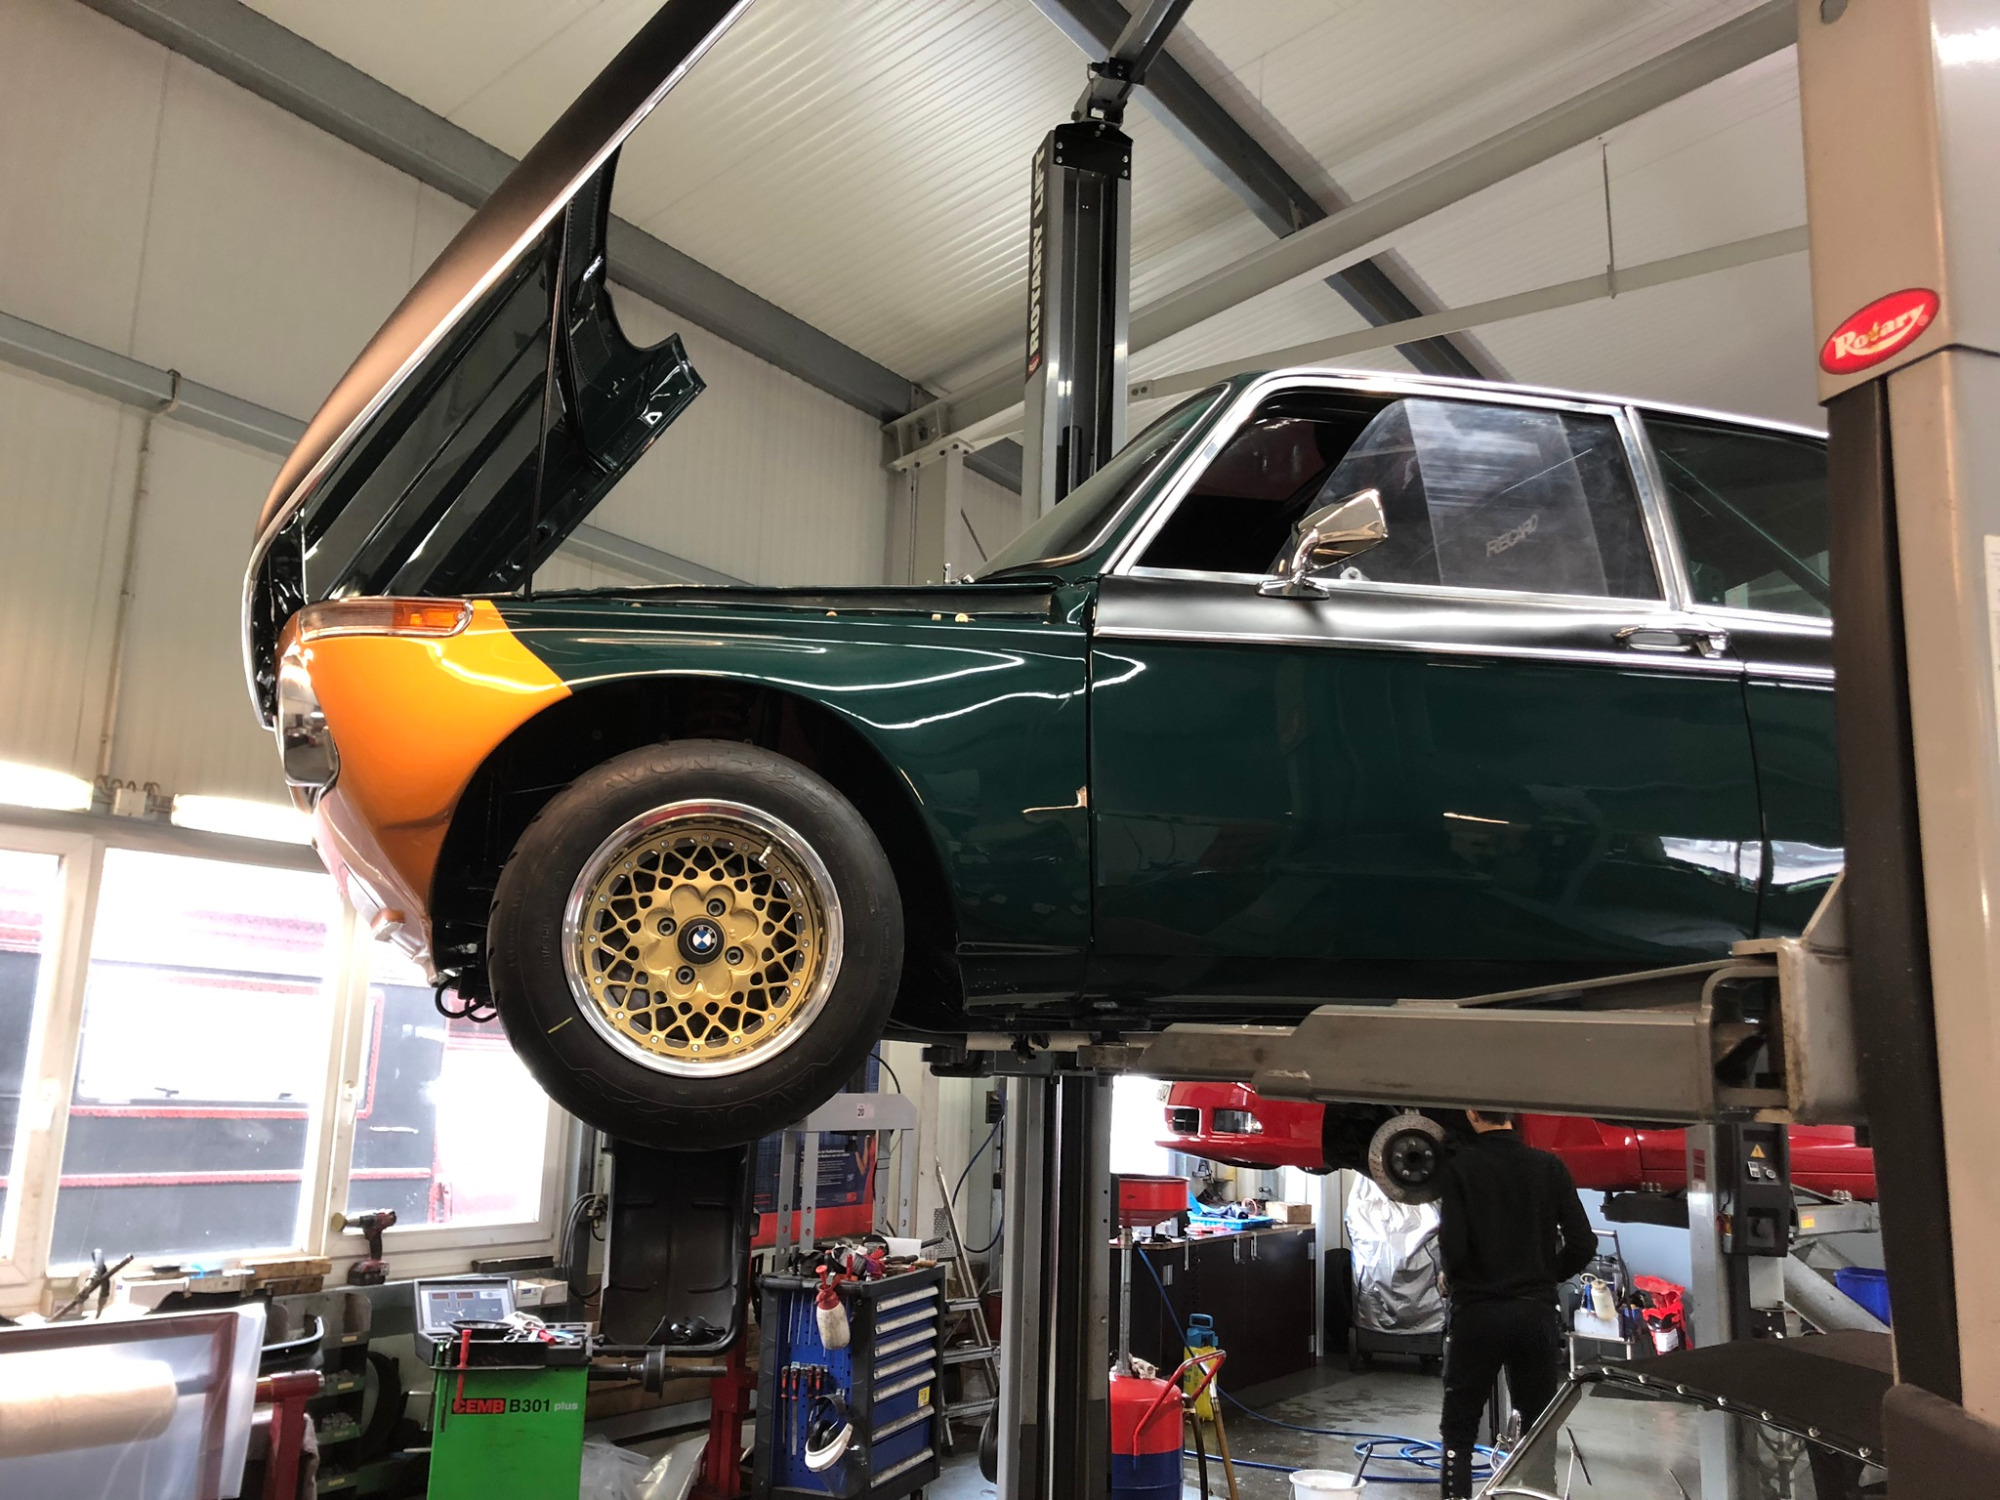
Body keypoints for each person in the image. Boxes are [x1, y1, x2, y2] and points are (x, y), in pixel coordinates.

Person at [1435, 1108, 1597, 1499]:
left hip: (1477, 1314)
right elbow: (1583, 1243)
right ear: (1512, 1114)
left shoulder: (1459, 1168)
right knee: (1539, 1427)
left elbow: (1453, 1247)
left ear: (1471, 1114)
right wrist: (1544, 1275)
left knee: (1459, 1427)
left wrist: (1453, 1277)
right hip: (1533, 1314)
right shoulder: (1549, 1167)